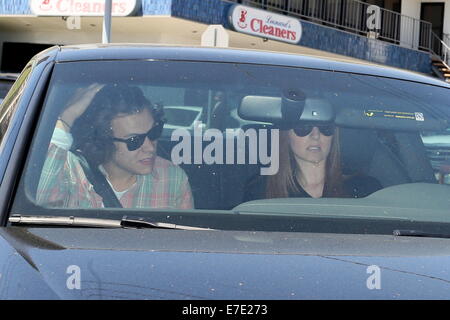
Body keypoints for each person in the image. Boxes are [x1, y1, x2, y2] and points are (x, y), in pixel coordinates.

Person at [37, 84, 193, 209]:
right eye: (134, 140)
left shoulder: (173, 179)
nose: (150, 148)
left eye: (153, 133)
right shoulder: (68, 170)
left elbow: (187, 243)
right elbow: (35, 205)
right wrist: (67, 117)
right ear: (103, 140)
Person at [244, 123, 382, 201]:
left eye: (325, 127)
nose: (315, 135)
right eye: (303, 127)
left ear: (334, 135)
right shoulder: (260, 191)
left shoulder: (366, 189)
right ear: (286, 135)